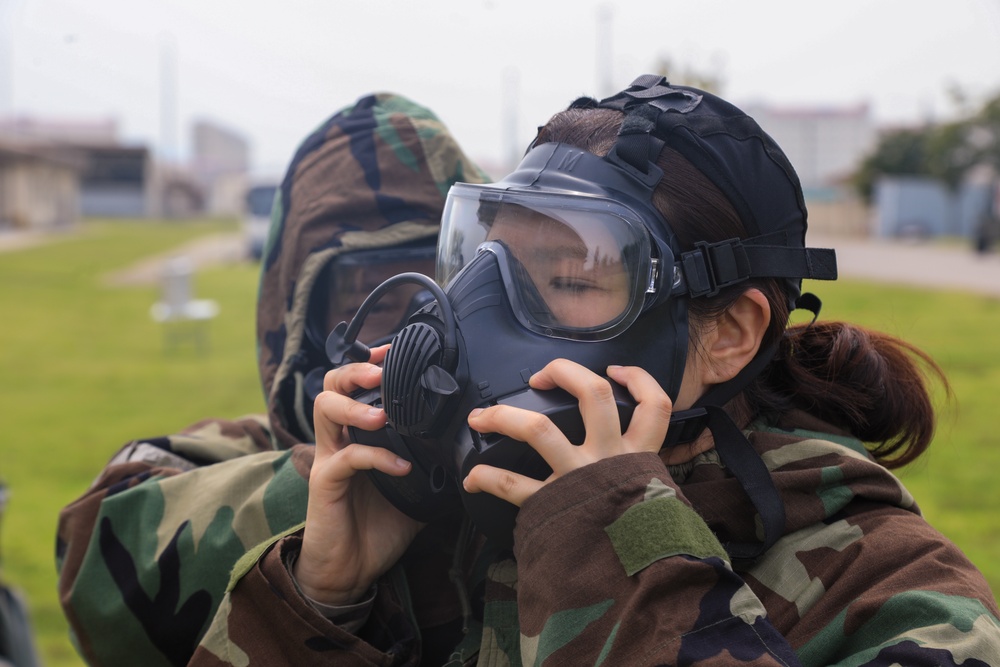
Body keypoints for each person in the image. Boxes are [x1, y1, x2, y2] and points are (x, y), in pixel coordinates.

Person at [189, 76, 1000, 666]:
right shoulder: (446, 533)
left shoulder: (894, 595)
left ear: (731, 334)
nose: (475, 315)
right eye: (485, 260)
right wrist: (319, 604)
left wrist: (618, 558)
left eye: (571, 279)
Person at [55, 92, 490, 666]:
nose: (415, 325)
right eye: (370, 294)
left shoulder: (515, 453)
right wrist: (333, 492)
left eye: (437, 283)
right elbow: (95, 558)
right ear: (298, 324)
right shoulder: (242, 452)